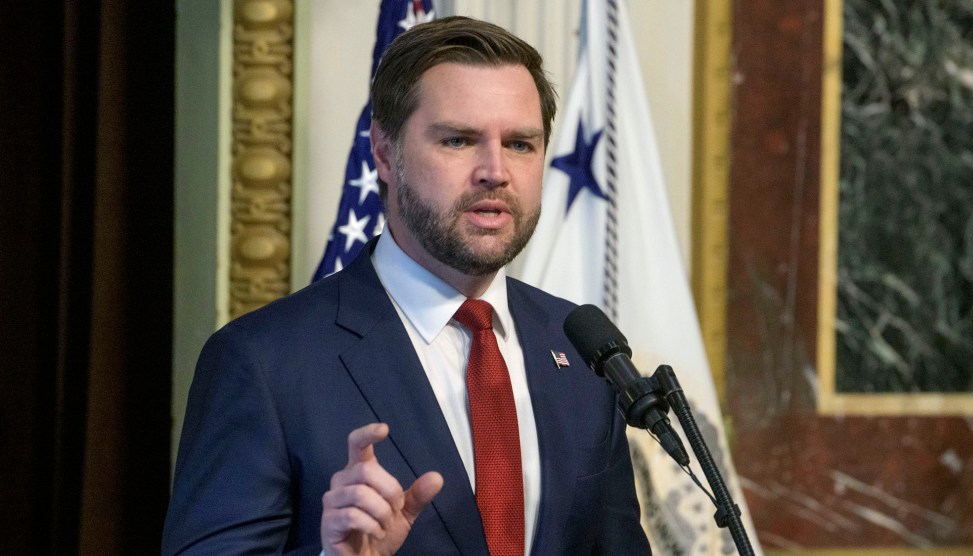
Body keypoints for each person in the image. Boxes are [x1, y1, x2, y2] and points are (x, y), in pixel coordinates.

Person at [162, 16, 650, 556]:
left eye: (519, 144)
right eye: (459, 140)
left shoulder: (581, 350)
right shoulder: (263, 362)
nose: (495, 171)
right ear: (384, 153)